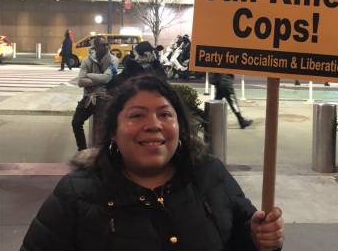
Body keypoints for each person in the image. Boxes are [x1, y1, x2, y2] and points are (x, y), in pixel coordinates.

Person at [20, 75, 285, 251]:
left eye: (165, 114)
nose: (154, 125)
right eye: (137, 115)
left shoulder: (209, 173)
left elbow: (242, 232)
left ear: (179, 126)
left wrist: (259, 237)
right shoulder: (76, 194)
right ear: (113, 131)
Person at [71, 36, 118, 151]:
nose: (106, 47)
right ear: (95, 47)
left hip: (104, 96)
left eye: (107, 44)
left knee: (103, 128)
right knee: (76, 122)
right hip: (88, 98)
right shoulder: (87, 61)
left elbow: (106, 79)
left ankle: (102, 153)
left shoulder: (113, 60)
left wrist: (89, 75)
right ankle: (82, 150)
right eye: (102, 45)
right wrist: (99, 80)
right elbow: (80, 81)